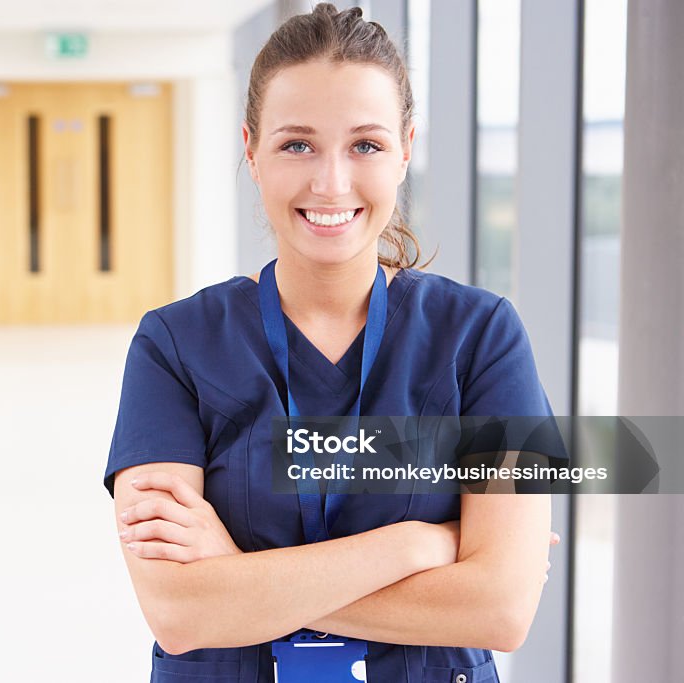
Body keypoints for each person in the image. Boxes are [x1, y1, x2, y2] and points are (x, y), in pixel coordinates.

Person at [103, 5, 560, 682]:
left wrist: (239, 580)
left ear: (405, 149)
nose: (331, 182)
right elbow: (180, 610)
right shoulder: (174, 345)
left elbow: (500, 608)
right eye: (297, 144)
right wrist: (418, 545)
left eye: (365, 145)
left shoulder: (482, 337)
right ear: (251, 151)